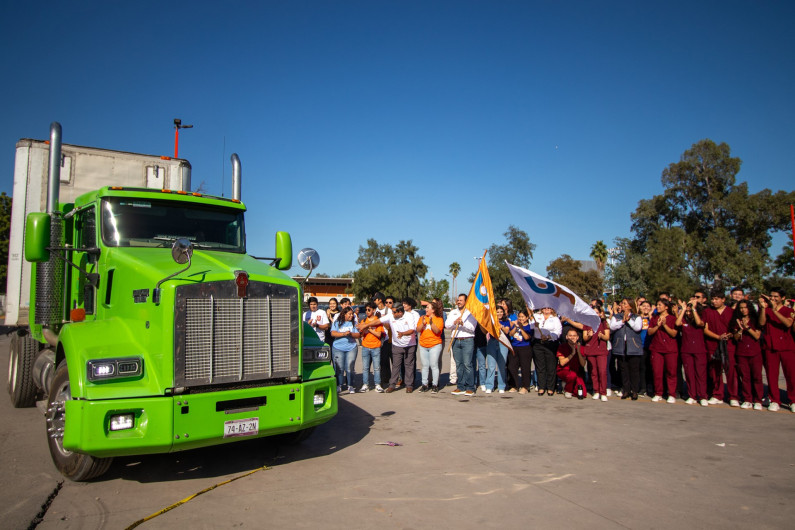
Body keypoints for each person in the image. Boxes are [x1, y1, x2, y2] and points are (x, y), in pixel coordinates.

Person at [361, 303, 418, 392]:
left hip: (409, 345)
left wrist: (403, 333)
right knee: (395, 365)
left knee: (408, 365)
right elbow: (378, 321)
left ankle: (409, 385)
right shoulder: (391, 315)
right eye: (392, 311)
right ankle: (392, 385)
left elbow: (412, 330)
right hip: (396, 345)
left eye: (394, 312)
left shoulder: (409, 316)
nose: (392, 314)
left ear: (400, 312)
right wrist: (366, 325)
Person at [758, 289, 795, 412]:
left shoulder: (788, 311)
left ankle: (793, 400)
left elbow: (788, 324)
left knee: (791, 375)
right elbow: (761, 323)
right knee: (771, 375)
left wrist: (775, 311)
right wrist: (763, 309)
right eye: (771, 296)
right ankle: (774, 400)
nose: (773, 298)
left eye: (776, 296)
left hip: (787, 347)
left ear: (782, 298)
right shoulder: (766, 310)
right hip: (770, 347)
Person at [703, 290, 738, 406]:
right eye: (712, 299)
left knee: (731, 371)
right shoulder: (707, 312)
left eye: (717, 299)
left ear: (723, 299)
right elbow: (705, 329)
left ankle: (733, 396)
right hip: (713, 345)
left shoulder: (731, 312)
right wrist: (718, 337)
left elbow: (736, 328)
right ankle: (717, 395)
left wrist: (730, 335)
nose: (714, 301)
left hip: (729, 344)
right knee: (715, 371)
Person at [731, 300, 764, 410]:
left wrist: (747, 327)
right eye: (741, 308)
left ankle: (758, 400)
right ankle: (747, 399)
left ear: (749, 308)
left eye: (745, 307)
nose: (743, 310)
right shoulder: (736, 320)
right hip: (741, 352)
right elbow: (736, 338)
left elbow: (757, 336)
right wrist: (740, 329)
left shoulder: (755, 320)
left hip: (755, 352)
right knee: (745, 377)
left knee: (757, 377)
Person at [676, 298, 708, 406]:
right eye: (688, 311)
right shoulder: (684, 320)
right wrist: (683, 310)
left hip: (699, 350)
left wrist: (694, 309)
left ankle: (702, 396)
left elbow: (699, 323)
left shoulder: (700, 318)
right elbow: (677, 323)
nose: (688, 313)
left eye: (690, 311)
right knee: (689, 374)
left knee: (700, 374)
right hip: (686, 350)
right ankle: (692, 395)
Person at [609, 299, 644, 400]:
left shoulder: (636, 317)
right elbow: (612, 327)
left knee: (634, 370)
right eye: (622, 303)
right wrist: (622, 321)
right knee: (623, 369)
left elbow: (637, 328)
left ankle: (634, 390)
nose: (622, 305)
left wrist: (629, 320)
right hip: (620, 346)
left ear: (630, 306)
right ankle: (626, 390)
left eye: (625, 304)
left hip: (633, 346)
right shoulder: (617, 317)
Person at [445, 294, 478, 396]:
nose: (458, 302)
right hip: (455, 340)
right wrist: (455, 322)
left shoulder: (471, 313)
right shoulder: (453, 312)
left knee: (467, 364)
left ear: (466, 301)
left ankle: (470, 387)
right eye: (458, 300)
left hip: (467, 340)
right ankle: (460, 386)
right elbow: (447, 325)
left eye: (461, 300)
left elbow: (472, 328)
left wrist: (463, 324)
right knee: (458, 364)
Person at [648, 299, 679, 403]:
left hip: (670, 349)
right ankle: (658, 393)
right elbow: (650, 332)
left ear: (666, 307)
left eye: (660, 305)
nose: (657, 306)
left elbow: (674, 334)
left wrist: (664, 325)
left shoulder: (672, 318)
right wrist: (658, 325)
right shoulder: (654, 318)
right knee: (657, 372)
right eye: (657, 304)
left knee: (671, 372)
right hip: (656, 348)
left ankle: (671, 394)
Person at [532, 307, 562, 396]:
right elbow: (530, 326)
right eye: (545, 307)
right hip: (538, 344)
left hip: (550, 344)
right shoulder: (536, 316)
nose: (546, 309)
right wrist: (534, 325)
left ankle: (550, 388)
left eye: (549, 308)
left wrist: (549, 336)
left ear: (552, 309)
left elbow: (558, 332)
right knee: (540, 367)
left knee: (551, 366)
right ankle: (541, 387)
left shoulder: (555, 319)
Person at [582, 306, 610, 402]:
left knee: (602, 371)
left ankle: (603, 392)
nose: (595, 314)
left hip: (601, 350)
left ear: (600, 313)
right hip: (590, 350)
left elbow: (607, 337)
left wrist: (602, 336)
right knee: (593, 372)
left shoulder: (604, 323)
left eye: (597, 312)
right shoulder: (587, 323)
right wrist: (589, 336)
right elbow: (584, 338)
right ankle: (596, 391)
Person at [416, 299, 444, 393]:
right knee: (424, 366)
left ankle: (435, 385)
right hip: (423, 345)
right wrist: (423, 323)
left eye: (428, 307)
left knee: (434, 365)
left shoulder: (439, 319)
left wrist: (431, 323)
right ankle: (424, 384)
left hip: (435, 345)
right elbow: (418, 329)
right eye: (426, 307)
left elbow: (437, 331)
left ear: (433, 310)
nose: (426, 309)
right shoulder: (422, 317)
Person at [330, 307, 360, 393]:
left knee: (350, 367)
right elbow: (333, 333)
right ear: (344, 314)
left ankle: (350, 385)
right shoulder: (337, 322)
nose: (351, 316)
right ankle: (339, 385)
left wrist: (351, 334)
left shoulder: (354, 323)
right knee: (339, 368)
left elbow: (358, 335)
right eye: (349, 314)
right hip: (338, 348)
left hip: (351, 348)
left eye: (352, 314)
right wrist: (343, 334)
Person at [359, 302, 384, 393]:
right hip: (365, 346)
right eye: (366, 310)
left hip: (375, 346)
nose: (367, 311)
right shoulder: (363, 320)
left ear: (373, 310)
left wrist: (369, 329)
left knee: (376, 368)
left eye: (369, 310)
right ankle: (365, 384)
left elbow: (378, 334)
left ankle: (377, 384)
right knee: (365, 368)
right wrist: (362, 330)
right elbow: (361, 334)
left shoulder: (377, 321)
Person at [484, 306, 510, 394]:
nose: (499, 314)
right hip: (492, 342)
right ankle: (489, 385)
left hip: (503, 343)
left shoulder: (506, 321)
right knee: (491, 366)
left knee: (501, 366)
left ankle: (501, 386)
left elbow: (507, 331)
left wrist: (501, 326)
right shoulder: (491, 320)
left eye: (501, 312)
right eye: (497, 312)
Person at [507, 310, 534, 394]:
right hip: (514, 347)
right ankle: (514, 385)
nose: (521, 318)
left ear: (527, 317)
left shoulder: (529, 327)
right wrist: (516, 327)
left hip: (525, 348)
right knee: (512, 366)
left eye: (522, 317)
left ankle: (525, 386)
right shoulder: (516, 325)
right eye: (519, 317)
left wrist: (521, 328)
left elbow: (527, 337)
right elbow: (510, 334)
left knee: (525, 367)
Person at [556, 328, 587, 399]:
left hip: (576, 371)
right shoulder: (562, 347)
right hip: (564, 370)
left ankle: (568, 385)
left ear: (577, 337)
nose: (572, 337)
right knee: (572, 375)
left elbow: (583, 364)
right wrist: (572, 353)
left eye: (574, 336)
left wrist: (578, 351)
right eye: (570, 336)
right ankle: (568, 391)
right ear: (566, 337)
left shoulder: (581, 348)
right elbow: (562, 363)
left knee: (582, 393)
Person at [372, 292, 393, 388]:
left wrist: (381, 318)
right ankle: (381, 380)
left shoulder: (388, 311)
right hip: (377, 337)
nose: (374, 301)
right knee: (380, 360)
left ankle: (389, 379)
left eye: (375, 299)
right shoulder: (374, 310)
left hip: (387, 338)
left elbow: (389, 326)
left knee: (386, 360)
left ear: (380, 300)